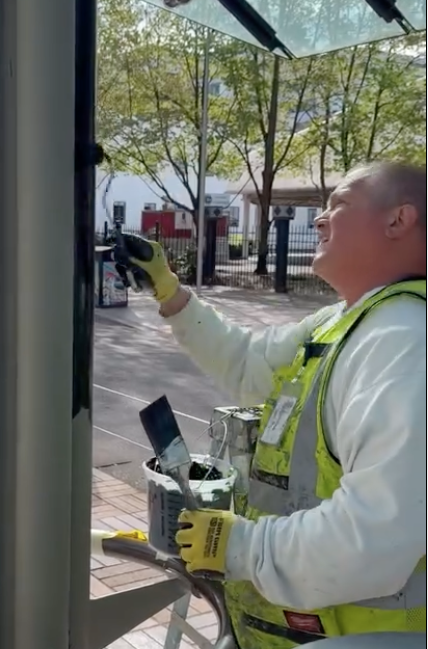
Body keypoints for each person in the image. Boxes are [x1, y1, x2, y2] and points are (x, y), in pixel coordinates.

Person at [122, 161, 426, 648]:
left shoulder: (406, 342)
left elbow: (373, 533)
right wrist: (168, 289)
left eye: (339, 205)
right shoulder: (343, 322)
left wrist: (236, 545)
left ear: (398, 220)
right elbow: (247, 366)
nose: (322, 219)